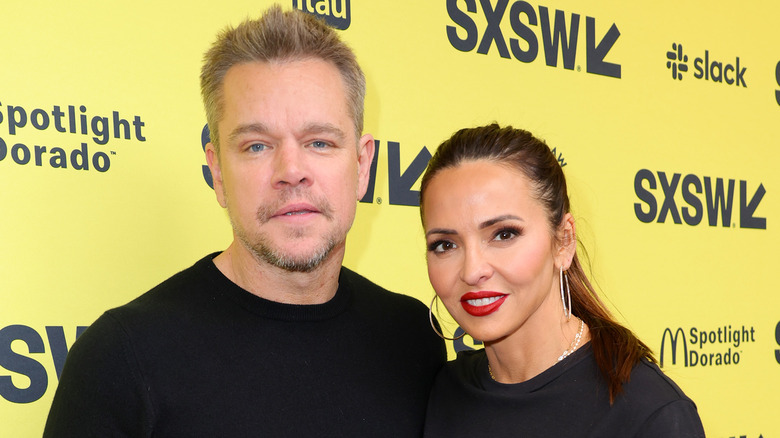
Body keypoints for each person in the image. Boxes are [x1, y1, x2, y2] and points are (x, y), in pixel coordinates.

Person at [43, 6, 445, 437]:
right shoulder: (120, 359)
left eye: (320, 142)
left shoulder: (412, 339)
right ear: (217, 173)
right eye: (256, 146)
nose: (291, 170)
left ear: (363, 165)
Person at [419, 124, 705, 437]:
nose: (472, 271)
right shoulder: (440, 393)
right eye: (445, 244)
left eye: (504, 234)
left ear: (564, 241)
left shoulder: (647, 411)